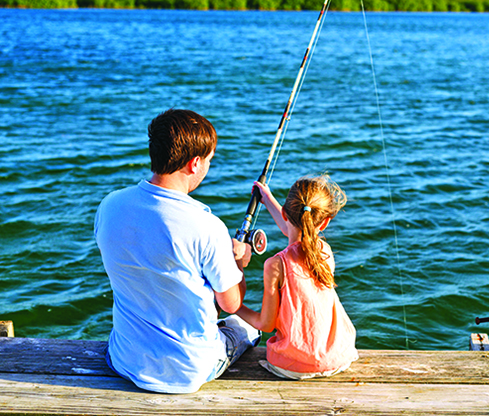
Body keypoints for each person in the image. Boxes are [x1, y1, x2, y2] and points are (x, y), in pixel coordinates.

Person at [94, 109, 260, 394]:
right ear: (195, 163)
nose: (208, 166)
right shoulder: (207, 225)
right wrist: (239, 263)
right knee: (249, 328)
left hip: (125, 361)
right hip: (189, 371)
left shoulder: (110, 205)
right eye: (209, 160)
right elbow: (231, 304)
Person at [236, 175, 358, 379]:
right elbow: (297, 233)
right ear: (325, 222)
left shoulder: (274, 265)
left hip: (292, 367)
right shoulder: (325, 252)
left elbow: (265, 325)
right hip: (338, 357)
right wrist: (267, 198)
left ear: (284, 213)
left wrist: (233, 305)